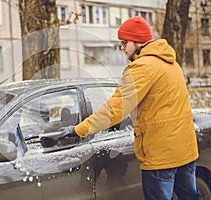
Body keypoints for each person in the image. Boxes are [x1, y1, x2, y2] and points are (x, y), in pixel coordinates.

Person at [58, 16, 202, 199]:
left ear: (138, 41)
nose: (122, 47)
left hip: (161, 156)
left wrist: (79, 130)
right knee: (191, 196)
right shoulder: (172, 64)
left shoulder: (142, 67)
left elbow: (115, 109)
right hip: (185, 150)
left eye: (125, 42)